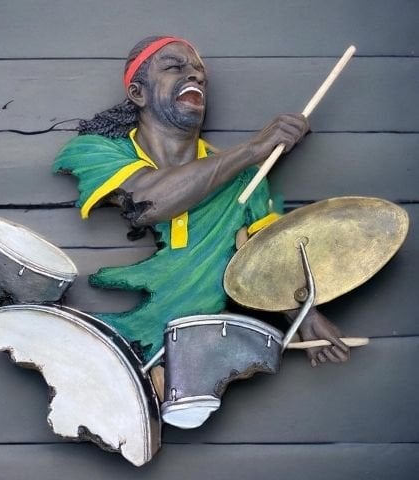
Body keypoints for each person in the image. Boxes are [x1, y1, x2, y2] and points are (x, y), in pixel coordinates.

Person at [53, 35, 349, 368]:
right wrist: (254, 149)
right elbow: (148, 202)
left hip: (198, 355)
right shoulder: (94, 150)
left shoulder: (247, 178)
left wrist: (305, 316)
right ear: (138, 93)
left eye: (199, 73)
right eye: (174, 67)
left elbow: (262, 255)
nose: (194, 75)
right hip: (106, 343)